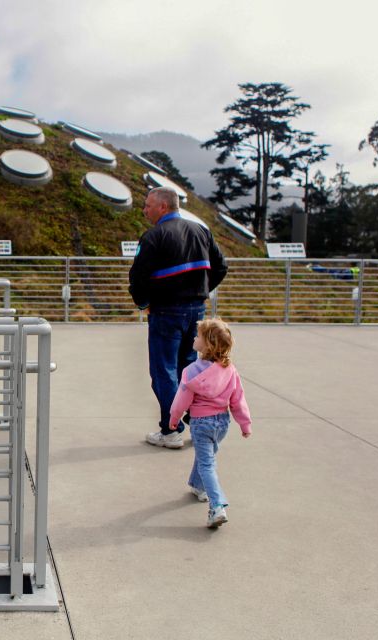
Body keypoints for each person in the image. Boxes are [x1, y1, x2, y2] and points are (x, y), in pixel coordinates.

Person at [129, 187, 227, 449]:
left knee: (164, 372)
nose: (144, 209)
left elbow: (137, 276)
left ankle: (171, 430)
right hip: (196, 312)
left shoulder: (154, 236)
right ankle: (199, 425)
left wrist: (144, 303)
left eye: (148, 205)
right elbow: (221, 266)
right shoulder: (201, 231)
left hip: (165, 312)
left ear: (163, 207)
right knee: (190, 371)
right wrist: (202, 290)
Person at [168, 318, 251, 528]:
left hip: (201, 423)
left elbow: (181, 400)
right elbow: (238, 399)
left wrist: (174, 418)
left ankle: (217, 506)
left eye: (198, 336)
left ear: (207, 344)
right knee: (207, 455)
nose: (194, 338)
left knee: (207, 464)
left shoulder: (191, 371)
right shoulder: (229, 370)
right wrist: (245, 424)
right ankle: (198, 486)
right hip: (222, 423)